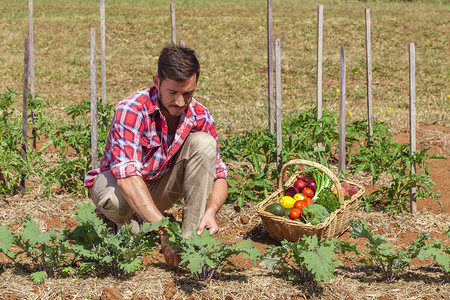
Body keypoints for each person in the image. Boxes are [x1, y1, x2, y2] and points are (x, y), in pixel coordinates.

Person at [84, 45, 228, 267]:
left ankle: (189, 243)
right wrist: (164, 229)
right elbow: (127, 178)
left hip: (159, 188)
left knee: (204, 143)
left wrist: (210, 212)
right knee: (116, 204)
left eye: (188, 93)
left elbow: (220, 176)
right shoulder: (132, 109)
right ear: (157, 81)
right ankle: (122, 222)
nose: (180, 102)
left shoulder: (200, 115)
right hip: (119, 187)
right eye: (173, 92)